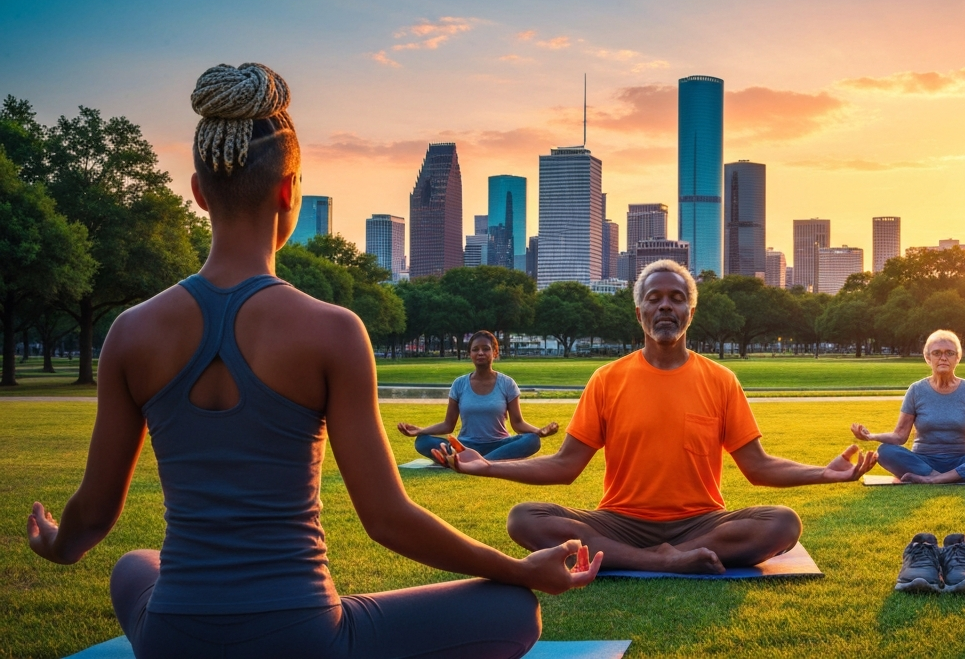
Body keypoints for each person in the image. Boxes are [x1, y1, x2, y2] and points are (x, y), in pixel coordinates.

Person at [25, 63, 600, 659]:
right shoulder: (333, 332)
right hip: (303, 637)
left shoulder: (130, 331)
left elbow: (92, 515)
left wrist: (59, 544)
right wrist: (520, 569)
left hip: (175, 635)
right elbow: (388, 519)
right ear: (289, 190)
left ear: (198, 193)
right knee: (513, 609)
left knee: (133, 566)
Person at [434, 259, 878, 574]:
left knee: (784, 523)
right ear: (639, 311)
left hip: (702, 522)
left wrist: (823, 473)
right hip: (620, 521)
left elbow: (758, 467)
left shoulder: (721, 380)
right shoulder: (607, 379)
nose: (666, 306)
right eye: (655, 298)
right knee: (524, 518)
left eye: (676, 298)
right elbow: (565, 466)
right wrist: (490, 466)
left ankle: (666, 553)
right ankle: (662, 561)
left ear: (690, 311)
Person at [851, 329, 965, 484]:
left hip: (962, 461)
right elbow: (899, 436)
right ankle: (948, 477)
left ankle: (936, 479)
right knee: (885, 451)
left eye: (949, 353)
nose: (943, 358)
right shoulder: (916, 390)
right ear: (927, 358)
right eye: (937, 353)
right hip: (923, 462)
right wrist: (871, 436)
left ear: (958, 358)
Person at [397, 330, 558, 462]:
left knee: (531, 440)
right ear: (470, 354)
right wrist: (420, 430)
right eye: (475, 349)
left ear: (495, 352)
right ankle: (481, 461)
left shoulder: (507, 383)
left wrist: (540, 432)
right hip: (464, 446)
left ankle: (475, 462)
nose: (480, 353)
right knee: (423, 441)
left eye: (486, 349)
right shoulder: (459, 384)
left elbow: (517, 424)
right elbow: (448, 425)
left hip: (499, 444)